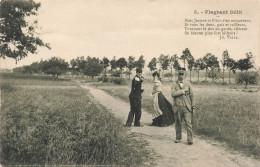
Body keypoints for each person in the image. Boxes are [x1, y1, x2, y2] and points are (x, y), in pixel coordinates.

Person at [171, 67, 196, 145]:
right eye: (180, 74)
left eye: (183, 74)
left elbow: (192, 96)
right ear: (177, 75)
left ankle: (190, 139)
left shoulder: (188, 84)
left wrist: (193, 106)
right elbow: (173, 94)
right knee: (178, 123)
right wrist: (182, 91)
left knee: (189, 123)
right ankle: (178, 137)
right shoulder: (174, 84)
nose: (181, 76)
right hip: (177, 107)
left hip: (186, 107)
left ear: (185, 75)